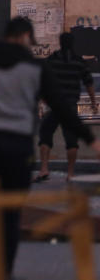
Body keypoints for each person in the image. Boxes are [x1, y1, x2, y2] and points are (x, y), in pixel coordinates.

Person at [0, 17, 100, 280]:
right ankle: (4, 272)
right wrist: (90, 139)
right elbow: (61, 105)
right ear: (25, 35)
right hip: (17, 147)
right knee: (12, 211)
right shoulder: (34, 68)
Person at [35, 32, 98, 183]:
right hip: (69, 107)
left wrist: (44, 100)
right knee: (71, 140)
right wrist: (93, 102)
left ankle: (44, 169)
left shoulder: (52, 60)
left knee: (45, 133)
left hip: (55, 106)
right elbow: (89, 84)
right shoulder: (79, 62)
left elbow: (40, 81)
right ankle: (70, 173)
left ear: (60, 42)